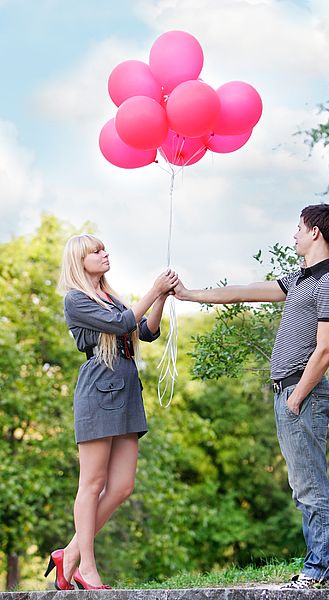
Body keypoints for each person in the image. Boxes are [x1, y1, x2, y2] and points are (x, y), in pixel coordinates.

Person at [174, 203, 329, 589]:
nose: (295, 235)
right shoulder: (300, 279)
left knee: (310, 484)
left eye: (299, 228)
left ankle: (319, 572)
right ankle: (320, 571)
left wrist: (297, 395)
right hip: (288, 392)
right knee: (301, 483)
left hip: (301, 393)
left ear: (316, 233)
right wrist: (189, 295)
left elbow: (325, 350)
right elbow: (246, 291)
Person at [44, 234, 179, 591]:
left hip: (127, 389)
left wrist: (161, 298)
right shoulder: (75, 300)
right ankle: (85, 566)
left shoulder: (111, 297)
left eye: (104, 249)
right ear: (80, 260)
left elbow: (146, 330)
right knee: (92, 484)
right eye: (96, 251)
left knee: (121, 486)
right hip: (98, 391)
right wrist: (153, 289)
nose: (105, 255)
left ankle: (67, 554)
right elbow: (122, 324)